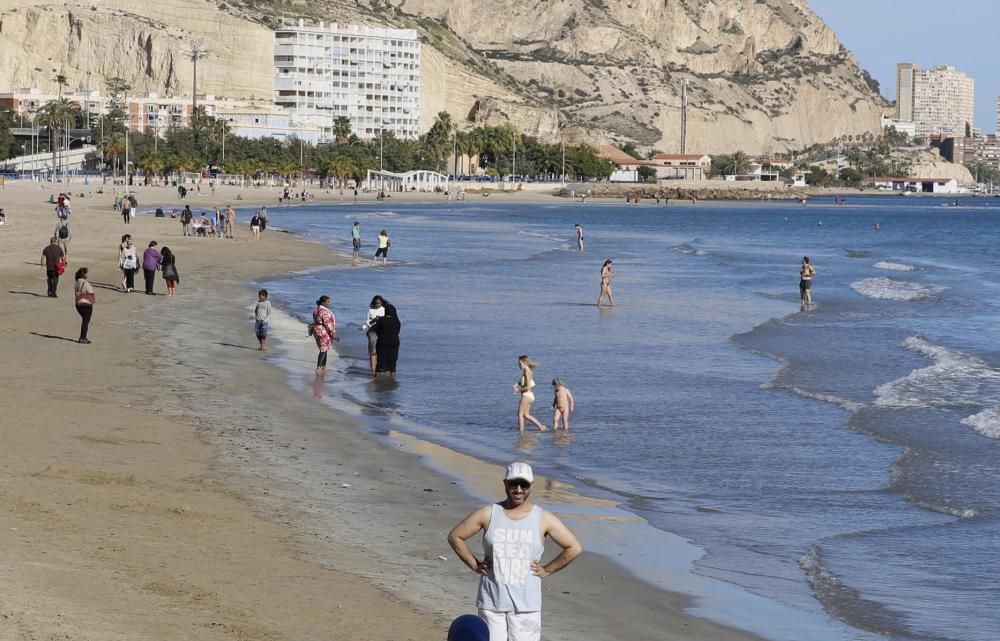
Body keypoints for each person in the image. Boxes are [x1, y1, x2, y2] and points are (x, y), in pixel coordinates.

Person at [447, 462, 583, 641]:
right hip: (492, 602)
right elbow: (455, 536)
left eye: (524, 484)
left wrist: (547, 570)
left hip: (527, 606)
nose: (518, 489)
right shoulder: (489, 513)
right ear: (505, 484)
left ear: (530, 486)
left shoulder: (543, 518)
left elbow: (574, 547)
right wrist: (474, 564)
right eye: (513, 484)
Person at [513, 355, 546, 431]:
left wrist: (518, 390)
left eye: (519, 363)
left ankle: (521, 432)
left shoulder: (527, 372)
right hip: (530, 396)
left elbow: (528, 387)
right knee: (526, 415)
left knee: (520, 414)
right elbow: (526, 381)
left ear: (524, 363)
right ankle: (541, 427)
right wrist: (517, 384)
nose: (519, 365)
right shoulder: (527, 371)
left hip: (526, 395)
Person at [310, 295, 339, 374]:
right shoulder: (325, 311)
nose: (330, 303)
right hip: (323, 331)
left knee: (323, 348)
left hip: (316, 330)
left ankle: (323, 366)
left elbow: (315, 319)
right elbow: (328, 324)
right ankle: (319, 368)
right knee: (324, 349)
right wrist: (333, 333)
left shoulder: (316, 309)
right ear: (323, 303)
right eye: (328, 302)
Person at [371, 302, 401, 377]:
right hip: (394, 342)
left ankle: (376, 377)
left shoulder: (381, 320)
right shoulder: (397, 321)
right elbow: (397, 331)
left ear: (386, 311)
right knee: (393, 360)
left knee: (380, 359)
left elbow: (375, 329)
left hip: (382, 342)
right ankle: (392, 377)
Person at [361, 295, 385, 376]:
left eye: (379, 303)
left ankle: (381, 368)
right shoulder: (370, 310)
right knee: (373, 350)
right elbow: (368, 322)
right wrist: (364, 326)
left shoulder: (384, 310)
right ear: (373, 303)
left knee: (381, 350)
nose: (377, 305)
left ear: (382, 303)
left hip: (382, 330)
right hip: (372, 330)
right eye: (376, 303)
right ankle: (373, 370)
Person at [73, 267, 95, 344]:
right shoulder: (85, 283)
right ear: (84, 274)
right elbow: (91, 292)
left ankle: (82, 337)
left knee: (84, 320)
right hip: (86, 305)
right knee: (86, 321)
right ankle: (83, 337)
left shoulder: (77, 282)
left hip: (78, 304)